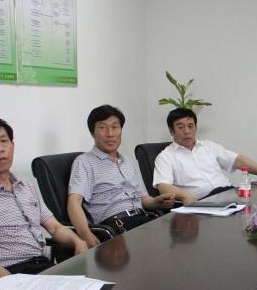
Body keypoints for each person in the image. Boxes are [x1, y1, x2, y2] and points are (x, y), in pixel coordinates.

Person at [0, 116, 88, 286]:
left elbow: (55, 227)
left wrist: (78, 242)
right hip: (8, 272)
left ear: (12, 145)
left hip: (41, 267)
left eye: (3, 141)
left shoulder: (25, 186)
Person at [68, 105, 176, 245]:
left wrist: (156, 201)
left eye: (115, 127)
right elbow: (74, 202)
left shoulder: (127, 162)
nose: (110, 134)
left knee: (182, 237)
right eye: (103, 127)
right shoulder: (84, 162)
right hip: (116, 226)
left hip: (143, 219)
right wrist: (85, 234)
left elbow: (142, 199)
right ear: (93, 133)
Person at [152, 108, 257, 204]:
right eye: (181, 127)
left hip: (229, 194)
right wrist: (185, 197)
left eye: (190, 126)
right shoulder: (166, 157)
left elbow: (237, 160)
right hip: (204, 203)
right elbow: (163, 186)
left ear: (196, 128)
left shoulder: (209, 146)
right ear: (171, 131)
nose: (187, 131)